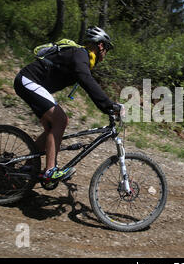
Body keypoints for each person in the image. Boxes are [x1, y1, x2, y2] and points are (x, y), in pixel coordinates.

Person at [14, 26, 120, 182]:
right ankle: (50, 171)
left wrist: (107, 106)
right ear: (101, 45)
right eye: (107, 49)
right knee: (61, 120)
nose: (105, 54)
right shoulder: (80, 54)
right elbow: (86, 80)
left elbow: (87, 83)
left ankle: (29, 165)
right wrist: (109, 105)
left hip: (30, 83)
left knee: (52, 126)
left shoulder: (81, 58)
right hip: (27, 80)